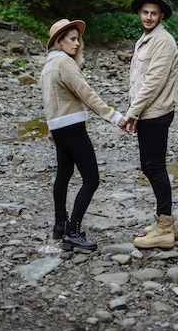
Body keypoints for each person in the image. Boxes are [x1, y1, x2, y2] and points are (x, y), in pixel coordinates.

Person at [41, 18, 124, 252]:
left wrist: (52, 132)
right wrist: (115, 117)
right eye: (72, 39)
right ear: (59, 41)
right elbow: (86, 93)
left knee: (64, 174)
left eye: (79, 39)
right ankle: (72, 231)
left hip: (59, 128)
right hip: (72, 128)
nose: (77, 44)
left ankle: (59, 226)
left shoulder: (48, 66)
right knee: (91, 178)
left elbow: (49, 104)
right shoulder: (64, 63)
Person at [119, 0, 178, 249]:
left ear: (161, 15)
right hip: (146, 112)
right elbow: (137, 81)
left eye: (154, 13)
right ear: (139, 14)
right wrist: (134, 110)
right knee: (149, 166)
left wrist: (132, 113)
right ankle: (165, 223)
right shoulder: (144, 39)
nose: (149, 17)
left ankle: (164, 229)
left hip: (156, 114)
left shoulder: (163, 41)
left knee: (154, 167)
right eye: (145, 12)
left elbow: (153, 82)